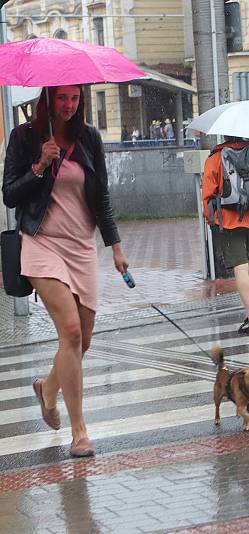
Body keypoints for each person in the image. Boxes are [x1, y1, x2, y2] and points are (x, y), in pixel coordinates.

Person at [2, 85, 129, 457]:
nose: (69, 105)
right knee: (70, 331)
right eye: (62, 98)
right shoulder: (24, 137)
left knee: (81, 341)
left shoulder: (89, 138)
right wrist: (39, 166)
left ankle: (47, 387)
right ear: (47, 99)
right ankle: (79, 432)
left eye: (75, 98)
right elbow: (9, 194)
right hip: (41, 242)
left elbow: (101, 196)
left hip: (80, 246)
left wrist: (116, 247)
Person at [201, 136, 249, 335]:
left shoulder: (216, 157)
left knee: (240, 266)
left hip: (229, 219)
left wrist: (212, 219)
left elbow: (208, 194)